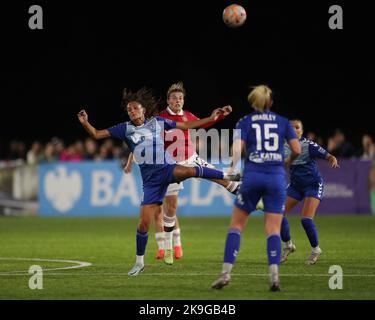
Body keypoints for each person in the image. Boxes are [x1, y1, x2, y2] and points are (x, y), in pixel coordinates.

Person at [77, 87, 238, 276]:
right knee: (144, 223)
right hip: (151, 182)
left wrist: (212, 119)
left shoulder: (158, 122)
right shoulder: (124, 129)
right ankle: (139, 263)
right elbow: (96, 134)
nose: (132, 111)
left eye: (135, 108)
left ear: (143, 109)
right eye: (129, 109)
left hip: (168, 169)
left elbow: (186, 126)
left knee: (190, 171)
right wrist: (86, 123)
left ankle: (228, 176)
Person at [124, 82, 240, 264]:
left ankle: (254, 200)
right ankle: (169, 248)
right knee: (170, 209)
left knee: (219, 178)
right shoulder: (159, 118)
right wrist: (131, 161)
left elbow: (203, 124)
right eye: (174, 98)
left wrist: (218, 117)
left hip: (191, 158)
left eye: (180, 98)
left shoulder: (188, 116)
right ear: (168, 100)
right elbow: (141, 139)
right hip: (170, 166)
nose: (177, 101)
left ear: (183, 100)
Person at [211, 85, 301, 292]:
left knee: (236, 226)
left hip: (252, 177)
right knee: (272, 229)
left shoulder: (245, 122)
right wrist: (286, 161)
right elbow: (296, 149)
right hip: (276, 178)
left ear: (252, 102)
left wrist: (233, 167)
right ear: (270, 102)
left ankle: (225, 274)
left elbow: (237, 148)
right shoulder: (283, 122)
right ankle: (274, 278)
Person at [280, 119, 339, 265]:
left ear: (302, 130)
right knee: (278, 214)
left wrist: (332, 159)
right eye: (291, 127)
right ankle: (288, 246)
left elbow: (328, 155)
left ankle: (316, 249)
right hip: (295, 186)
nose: (294, 130)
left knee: (306, 219)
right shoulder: (282, 146)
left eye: (297, 127)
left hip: (313, 185)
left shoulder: (308, 145)